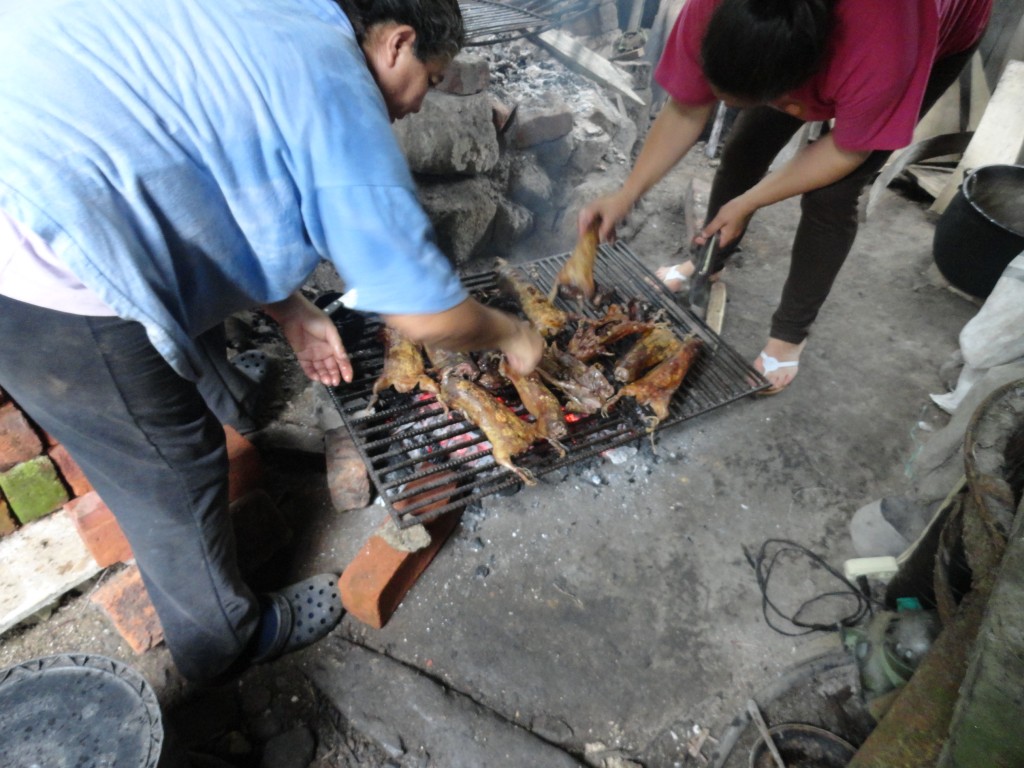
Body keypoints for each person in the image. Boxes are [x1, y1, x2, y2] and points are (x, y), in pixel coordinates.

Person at [0, 0, 543, 684]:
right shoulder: (338, 86)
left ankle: (223, 410)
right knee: (173, 463)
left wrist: (290, 310)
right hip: (36, 249)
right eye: (431, 80)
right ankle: (226, 639)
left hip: (36, 153)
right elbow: (421, 311)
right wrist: (511, 333)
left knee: (184, 393)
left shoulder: (282, 15)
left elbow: (202, 166)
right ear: (397, 43)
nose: (419, 102)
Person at [579, 0, 992, 394]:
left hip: (932, 35)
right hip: (797, 45)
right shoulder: (715, 11)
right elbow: (687, 108)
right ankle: (708, 263)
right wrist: (627, 192)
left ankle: (789, 335)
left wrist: (750, 201)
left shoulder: (885, 39)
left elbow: (848, 149)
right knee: (744, 149)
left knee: (831, 198)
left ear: (795, 95)